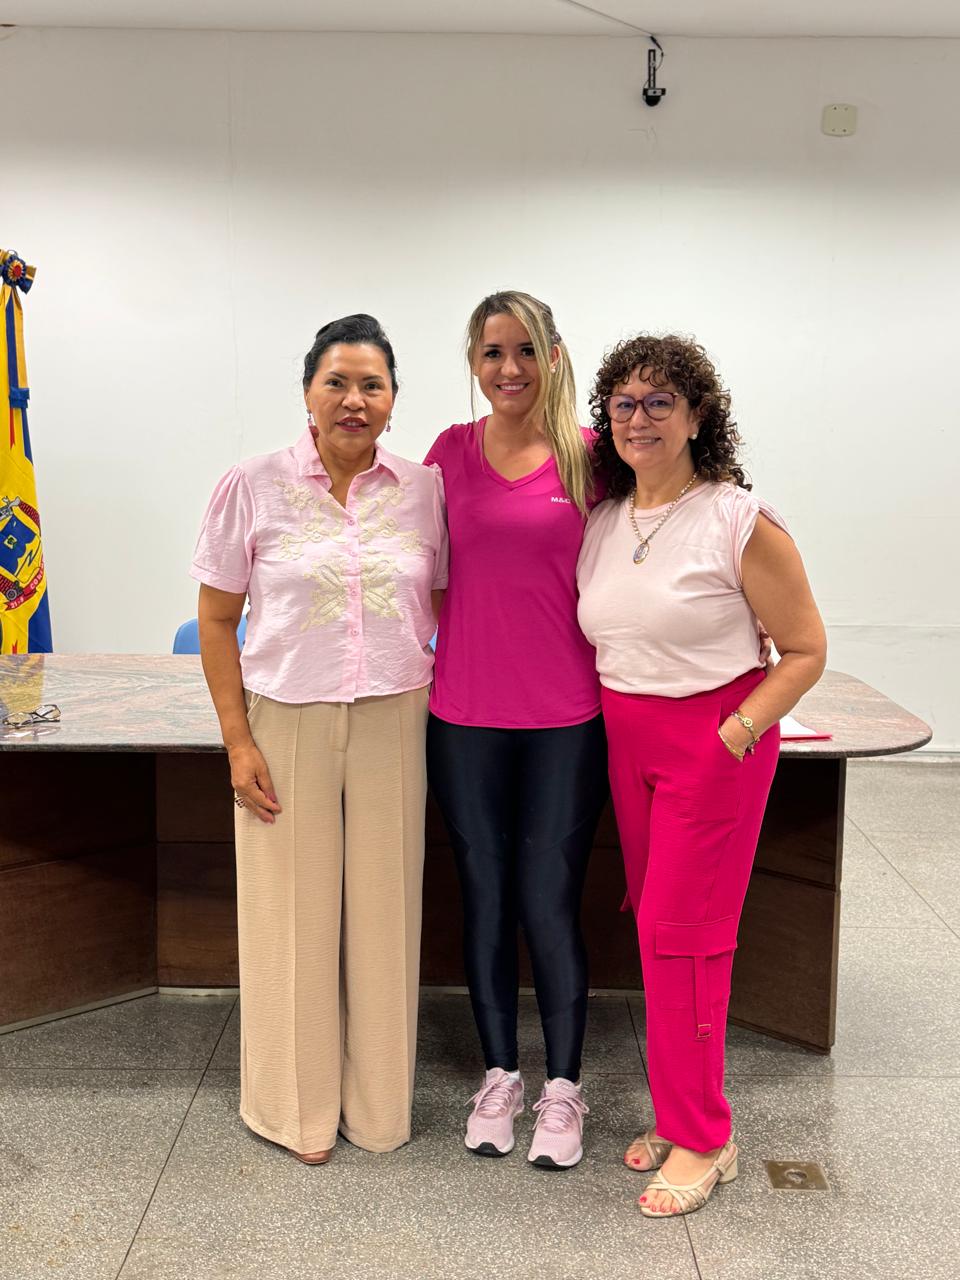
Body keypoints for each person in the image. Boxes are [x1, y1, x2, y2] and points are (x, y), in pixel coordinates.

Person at [576, 334, 826, 1216]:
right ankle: (680, 1112)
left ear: (697, 416)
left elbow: (805, 650)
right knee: (658, 930)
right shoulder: (606, 520)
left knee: (687, 935)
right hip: (627, 740)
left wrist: (733, 736)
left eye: (660, 402)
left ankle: (707, 1136)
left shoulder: (738, 520)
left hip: (713, 742)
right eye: (624, 404)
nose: (639, 418)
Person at [190, 314, 448, 1164]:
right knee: (289, 916)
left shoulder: (425, 490)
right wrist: (237, 741)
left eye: (372, 384)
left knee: (384, 916)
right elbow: (217, 620)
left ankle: (377, 1110)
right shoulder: (252, 483)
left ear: (393, 400)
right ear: (308, 392)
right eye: (336, 381)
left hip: (393, 717)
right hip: (285, 721)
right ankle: (294, 1112)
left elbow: (439, 602)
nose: (353, 400)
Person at [425, 291, 609, 1170]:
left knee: (548, 901)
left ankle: (563, 1089)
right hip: (463, 716)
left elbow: (665, 531)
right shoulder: (448, 454)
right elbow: (415, 569)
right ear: (473, 362)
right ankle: (500, 1075)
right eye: (493, 352)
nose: (510, 368)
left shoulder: (593, 457)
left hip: (567, 720)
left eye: (526, 350)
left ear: (555, 356)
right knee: (488, 899)